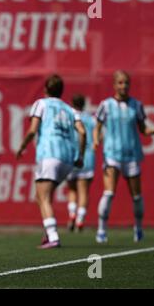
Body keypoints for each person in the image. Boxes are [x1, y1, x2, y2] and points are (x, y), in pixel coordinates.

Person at [16, 75, 86, 249]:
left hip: (49, 154)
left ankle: (53, 236)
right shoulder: (70, 110)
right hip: (68, 158)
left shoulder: (41, 104)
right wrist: (80, 156)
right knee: (41, 196)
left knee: (43, 196)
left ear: (46, 89)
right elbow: (82, 132)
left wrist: (22, 146)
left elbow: (33, 130)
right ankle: (48, 233)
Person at [94, 70, 154, 243]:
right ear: (114, 85)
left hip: (131, 155)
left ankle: (138, 228)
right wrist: (95, 141)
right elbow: (97, 126)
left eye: (126, 83)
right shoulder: (106, 105)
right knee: (109, 193)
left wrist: (148, 131)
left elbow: (142, 127)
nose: (124, 86)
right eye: (120, 83)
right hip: (112, 154)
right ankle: (101, 230)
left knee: (136, 195)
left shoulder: (136, 105)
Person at [66, 94, 96, 232]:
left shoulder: (69, 117)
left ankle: (72, 214)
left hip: (71, 156)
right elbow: (98, 137)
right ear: (84, 104)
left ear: (72, 103)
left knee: (72, 189)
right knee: (84, 191)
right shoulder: (90, 119)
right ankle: (80, 219)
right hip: (87, 157)